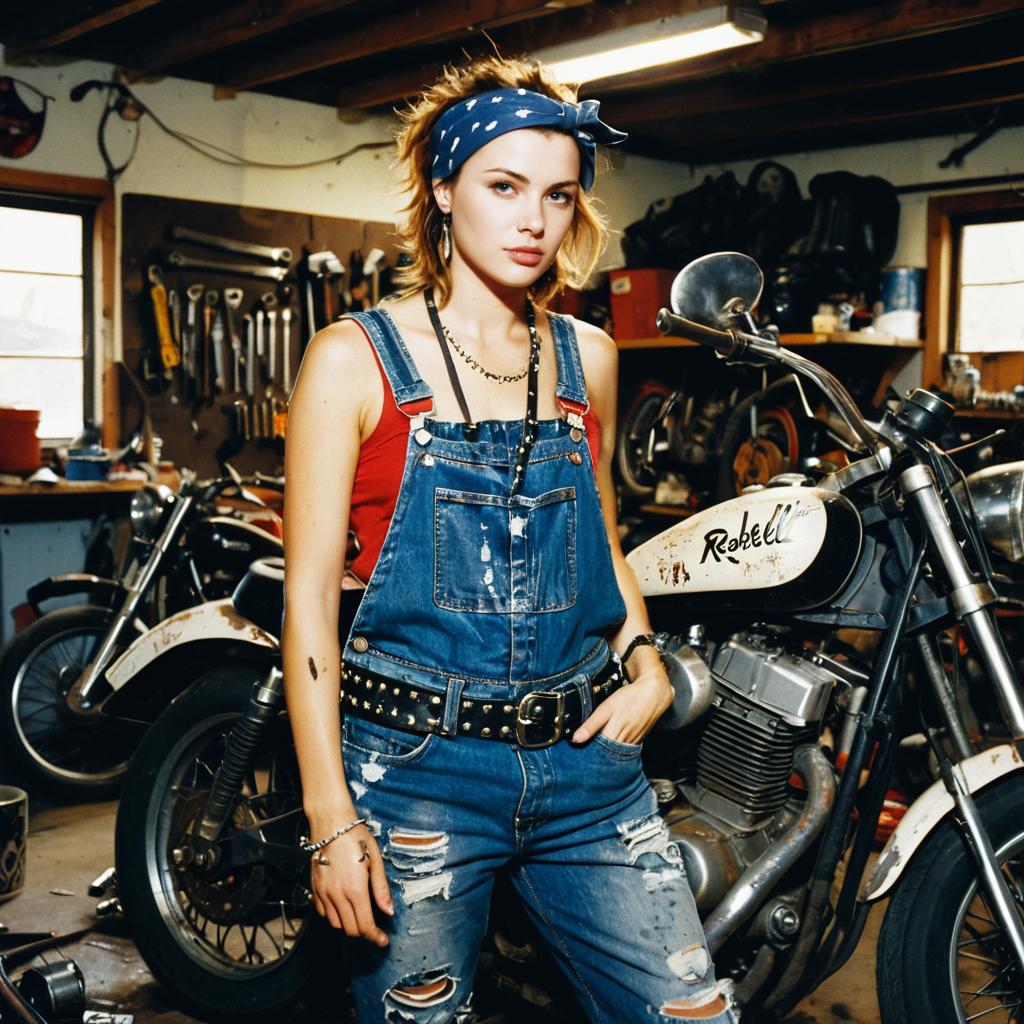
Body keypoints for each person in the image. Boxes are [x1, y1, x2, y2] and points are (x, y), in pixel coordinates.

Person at [282, 54, 738, 1024]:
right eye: (503, 186)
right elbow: (308, 604)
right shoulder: (353, 360)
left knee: (691, 1011)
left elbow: (602, 544)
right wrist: (329, 814)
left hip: (587, 769)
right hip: (417, 772)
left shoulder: (590, 359)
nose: (533, 220)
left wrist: (646, 662)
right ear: (443, 191)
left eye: (558, 196)